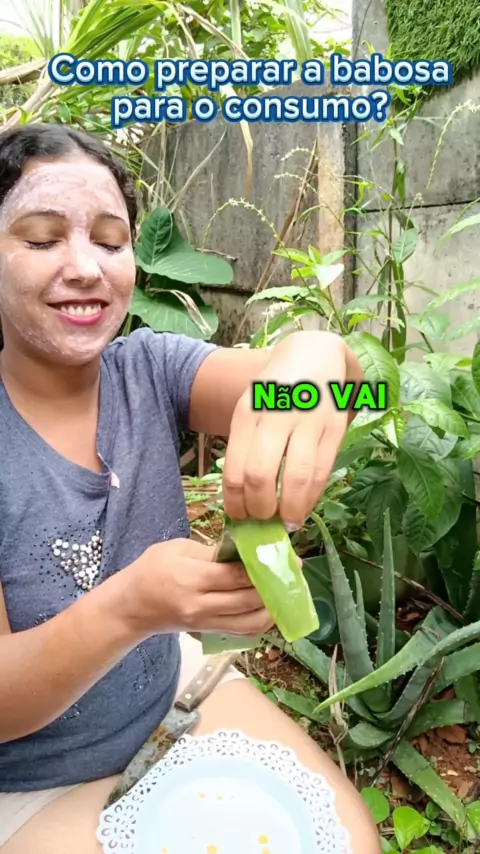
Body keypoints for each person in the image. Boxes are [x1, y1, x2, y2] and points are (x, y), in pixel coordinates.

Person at [0, 122, 380, 854]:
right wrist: (134, 605)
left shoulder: (152, 370)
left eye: (111, 241)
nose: (85, 267)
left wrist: (315, 356)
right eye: (43, 240)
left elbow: (332, 391)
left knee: (347, 841)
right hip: (29, 776)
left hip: (171, 689)